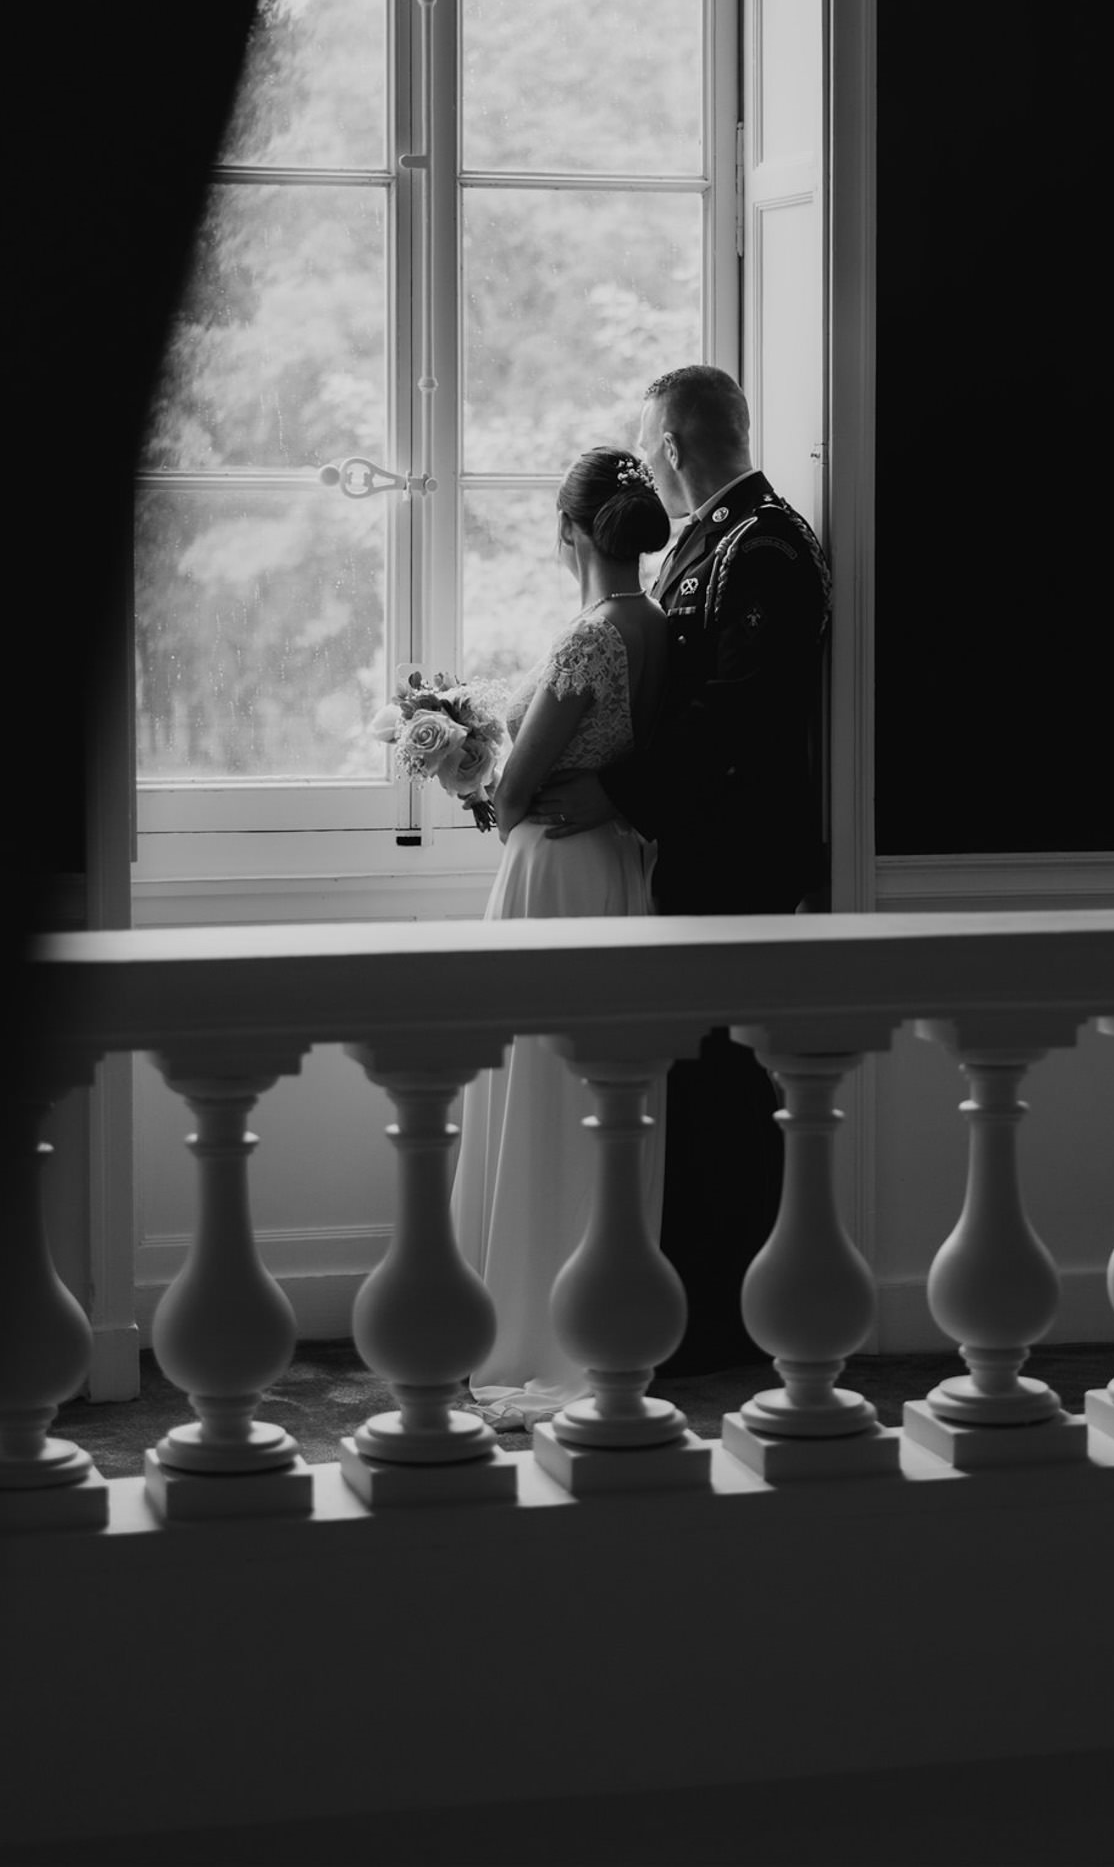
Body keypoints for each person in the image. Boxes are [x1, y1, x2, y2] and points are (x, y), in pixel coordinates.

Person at [530, 366, 832, 1374]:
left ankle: (732, 1318)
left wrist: (617, 794)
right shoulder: (714, 540)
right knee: (695, 1082)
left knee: (728, 1086)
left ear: (670, 446)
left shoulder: (767, 545)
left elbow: (738, 710)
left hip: (742, 855)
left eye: (647, 447)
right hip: (696, 847)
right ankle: (689, 1299)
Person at [450, 446, 672, 1431]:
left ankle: (529, 1330)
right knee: (600, 1095)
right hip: (618, 866)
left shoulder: (590, 636)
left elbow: (510, 796)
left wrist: (466, 768)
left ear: (568, 531)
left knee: (540, 1087)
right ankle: (601, 1320)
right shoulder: (657, 623)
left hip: (552, 874)